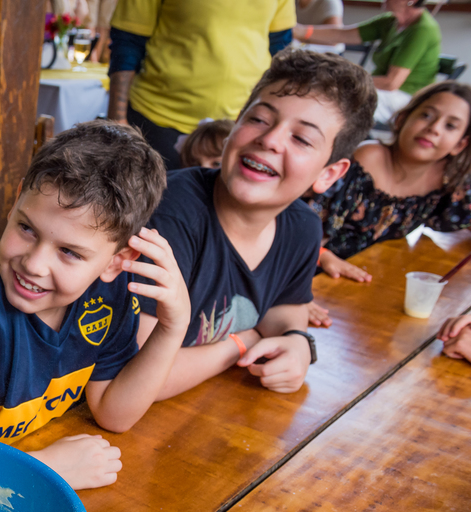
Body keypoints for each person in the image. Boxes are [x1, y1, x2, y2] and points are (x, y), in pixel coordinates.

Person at [0, 121, 188, 490]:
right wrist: (44, 469)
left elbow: (114, 414)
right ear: (17, 199)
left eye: (69, 252)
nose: (33, 264)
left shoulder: (110, 294)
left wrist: (172, 328)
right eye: (27, 228)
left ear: (117, 260)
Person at [133, 49, 376, 398]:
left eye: (302, 138)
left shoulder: (302, 229)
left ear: (329, 174)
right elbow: (141, 377)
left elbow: (285, 309)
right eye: (259, 119)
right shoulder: (167, 214)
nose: (270, 139)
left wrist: (297, 342)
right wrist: (242, 343)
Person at [107, 0, 297, 170]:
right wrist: (118, 121)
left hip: (241, 125)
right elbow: (128, 40)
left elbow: (279, 43)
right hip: (160, 120)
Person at [307, 82, 471, 328]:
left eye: (450, 126)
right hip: (307, 274)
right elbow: (294, 220)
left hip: (359, 287)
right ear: (402, 119)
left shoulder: (445, 183)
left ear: (460, 144)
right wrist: (320, 255)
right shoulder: (363, 161)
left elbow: (459, 220)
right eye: (426, 115)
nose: (433, 129)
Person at [296, 0, 441, 126]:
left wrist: (345, 80)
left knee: (335, 99)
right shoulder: (390, 22)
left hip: (403, 98)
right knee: (326, 94)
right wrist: (301, 31)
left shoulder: (422, 30)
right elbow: (343, 34)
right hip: (382, 91)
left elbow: (391, 82)